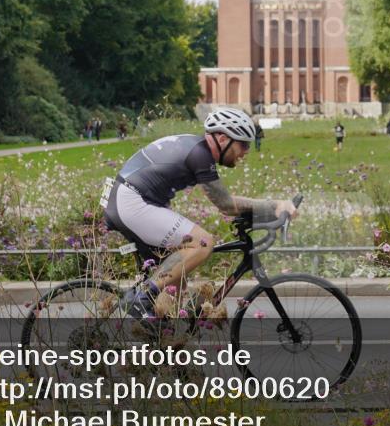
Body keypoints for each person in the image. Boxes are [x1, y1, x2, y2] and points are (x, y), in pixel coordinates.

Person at [101, 108, 298, 323]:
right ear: (222, 139)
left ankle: (161, 341)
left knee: (177, 282)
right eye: (243, 144)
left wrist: (259, 212)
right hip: (131, 202)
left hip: (130, 200)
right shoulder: (200, 155)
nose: (246, 151)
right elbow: (226, 204)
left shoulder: (196, 148)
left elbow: (226, 202)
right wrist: (275, 206)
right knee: (202, 243)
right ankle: (141, 298)